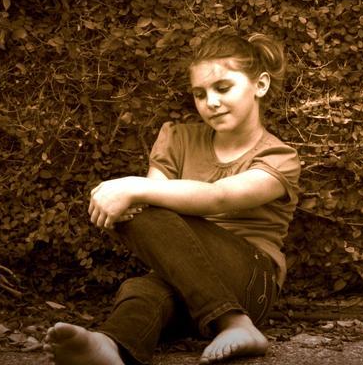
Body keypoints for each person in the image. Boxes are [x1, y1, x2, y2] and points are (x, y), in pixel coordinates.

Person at [44, 31, 302, 365]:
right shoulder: (177, 139)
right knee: (144, 289)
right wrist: (128, 200)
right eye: (200, 93)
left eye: (223, 88)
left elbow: (219, 197)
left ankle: (237, 323)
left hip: (251, 281)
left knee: (141, 202)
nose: (210, 102)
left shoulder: (279, 157)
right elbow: (151, 213)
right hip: (183, 278)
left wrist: (132, 187)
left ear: (260, 85)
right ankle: (110, 345)